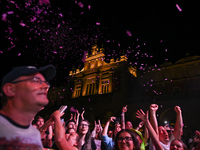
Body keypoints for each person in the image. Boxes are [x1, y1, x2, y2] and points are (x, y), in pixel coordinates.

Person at [0, 65, 56, 149]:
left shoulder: (34, 134)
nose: (45, 87)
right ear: (10, 89)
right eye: (36, 81)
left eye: (46, 83)